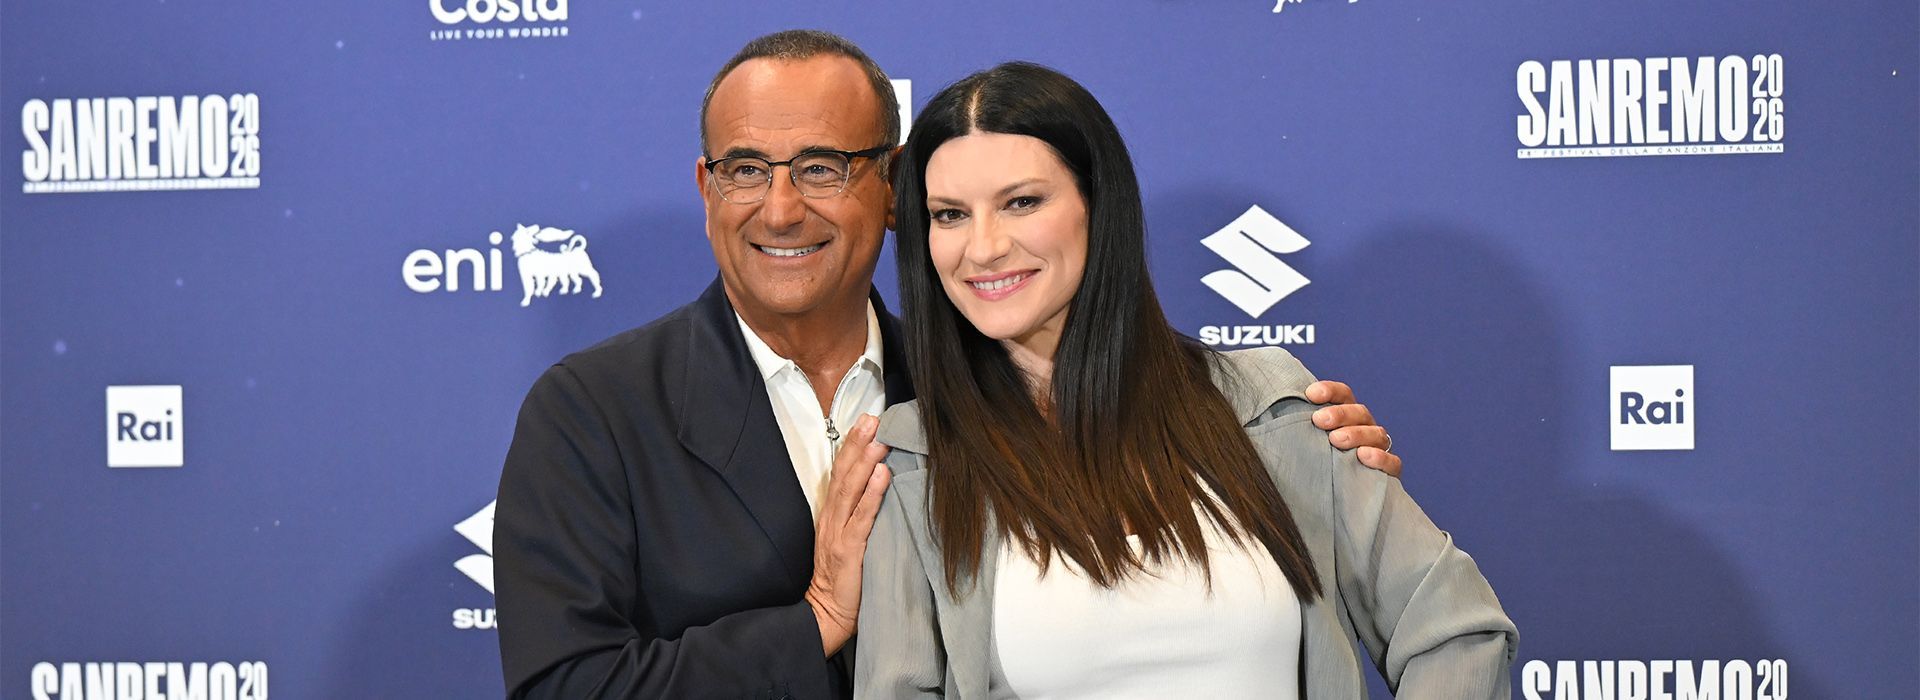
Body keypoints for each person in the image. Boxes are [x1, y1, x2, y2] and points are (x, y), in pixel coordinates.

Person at [494, 31, 1401, 699]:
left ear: (892, 188)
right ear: (706, 188)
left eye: (820, 168)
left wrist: (1298, 461)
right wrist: (814, 622)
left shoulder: (998, 386)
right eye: (745, 169)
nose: (779, 209)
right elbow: (564, 687)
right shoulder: (593, 411)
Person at [856, 62, 1516, 699]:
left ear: (1098, 206)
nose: (983, 247)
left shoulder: (1267, 406)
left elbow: (1456, 632)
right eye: (950, 214)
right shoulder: (915, 463)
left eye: (1021, 202)